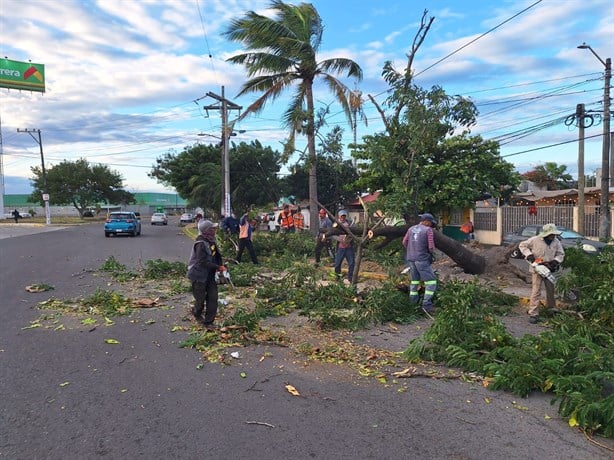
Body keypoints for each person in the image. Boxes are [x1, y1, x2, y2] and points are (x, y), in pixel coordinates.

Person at [518, 223, 565, 324]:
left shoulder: (556, 242)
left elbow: (561, 254)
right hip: (537, 268)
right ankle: (533, 313)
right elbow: (522, 245)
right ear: (546, 234)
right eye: (551, 234)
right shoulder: (535, 239)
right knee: (536, 291)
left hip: (549, 269)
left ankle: (551, 309)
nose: (553, 236)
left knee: (551, 291)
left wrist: (556, 261)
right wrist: (529, 254)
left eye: (554, 234)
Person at [186, 219, 226, 330]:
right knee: (200, 299)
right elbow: (201, 262)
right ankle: (197, 312)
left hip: (210, 275)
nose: (215, 230)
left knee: (213, 297)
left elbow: (216, 256)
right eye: (213, 228)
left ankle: (209, 322)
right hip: (198, 276)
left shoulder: (211, 241)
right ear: (207, 230)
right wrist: (217, 267)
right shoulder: (201, 244)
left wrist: (220, 266)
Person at [402, 213, 437, 316]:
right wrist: (430, 254)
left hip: (411, 259)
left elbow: (404, 242)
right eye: (430, 223)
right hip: (422, 259)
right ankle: (426, 305)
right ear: (426, 221)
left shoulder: (411, 229)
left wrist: (411, 250)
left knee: (414, 281)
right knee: (431, 282)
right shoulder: (428, 230)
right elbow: (431, 247)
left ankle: (413, 304)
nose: (430, 225)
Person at [333, 210, 354, 283]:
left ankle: (350, 278)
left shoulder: (349, 223)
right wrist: (340, 240)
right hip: (341, 247)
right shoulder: (336, 224)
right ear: (339, 216)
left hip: (349, 247)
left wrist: (349, 240)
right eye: (342, 216)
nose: (343, 217)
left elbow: (353, 233)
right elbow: (333, 235)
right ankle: (338, 277)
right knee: (337, 264)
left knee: (351, 263)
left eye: (344, 216)